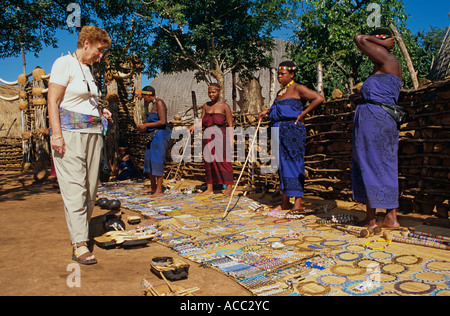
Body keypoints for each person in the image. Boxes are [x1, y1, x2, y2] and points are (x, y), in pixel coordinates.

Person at [48, 26, 112, 265]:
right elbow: (53, 101)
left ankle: (81, 232)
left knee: (91, 189)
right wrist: (57, 135)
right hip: (70, 134)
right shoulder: (64, 63)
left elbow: (83, 101)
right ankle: (79, 243)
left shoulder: (88, 69)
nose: (100, 55)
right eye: (99, 49)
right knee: (75, 189)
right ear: (86, 43)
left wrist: (100, 110)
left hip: (94, 133)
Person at [352, 29, 402, 229]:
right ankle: (376, 218)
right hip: (373, 117)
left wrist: (383, 43)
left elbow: (359, 38)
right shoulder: (382, 64)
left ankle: (387, 217)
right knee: (372, 162)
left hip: (376, 118)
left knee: (374, 162)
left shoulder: (388, 58)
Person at [259, 61, 324, 212]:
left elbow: (318, 98)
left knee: (294, 163)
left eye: (283, 74)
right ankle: (285, 202)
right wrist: (268, 112)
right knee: (281, 165)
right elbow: (281, 109)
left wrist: (302, 113)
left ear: (292, 74)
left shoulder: (297, 88)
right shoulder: (280, 93)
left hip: (292, 131)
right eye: (278, 74)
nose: (279, 77)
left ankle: (298, 203)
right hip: (278, 130)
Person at [189, 83, 234, 196]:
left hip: (220, 136)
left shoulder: (224, 106)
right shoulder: (205, 106)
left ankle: (229, 186)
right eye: (209, 92)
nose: (211, 94)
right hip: (207, 137)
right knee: (208, 162)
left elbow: (230, 124)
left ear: (219, 92)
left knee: (224, 161)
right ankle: (209, 189)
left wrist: (230, 140)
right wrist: (193, 126)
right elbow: (202, 121)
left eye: (213, 92)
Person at [137, 86, 171, 197]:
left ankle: (159, 190)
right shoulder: (152, 105)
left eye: (144, 97)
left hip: (160, 135)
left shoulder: (159, 103)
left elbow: (162, 121)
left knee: (157, 160)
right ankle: (153, 187)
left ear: (148, 95)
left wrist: (146, 125)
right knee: (149, 160)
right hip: (151, 135)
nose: (144, 99)